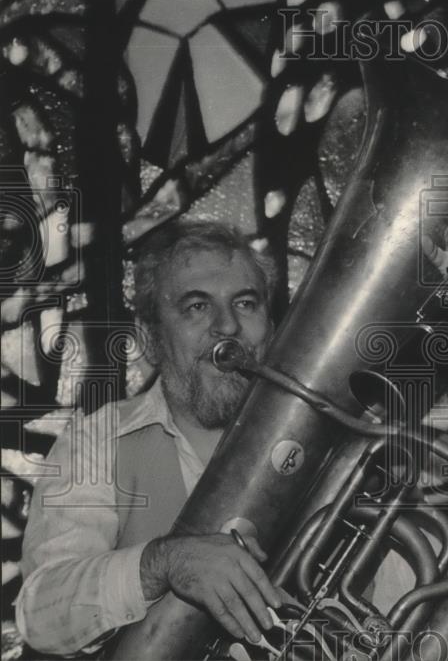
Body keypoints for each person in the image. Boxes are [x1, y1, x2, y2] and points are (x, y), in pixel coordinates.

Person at [16, 221, 283, 655]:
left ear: (269, 327)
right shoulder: (100, 440)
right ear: (151, 339)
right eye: (197, 306)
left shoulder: (328, 446)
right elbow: (43, 613)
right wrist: (164, 563)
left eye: (246, 303)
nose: (227, 327)